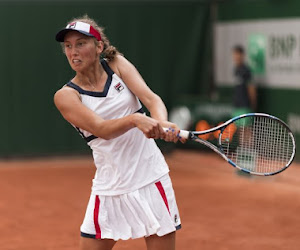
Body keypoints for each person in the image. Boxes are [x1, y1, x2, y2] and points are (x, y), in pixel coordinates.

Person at [54, 15, 183, 250]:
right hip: (109, 187)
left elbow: (151, 99)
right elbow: (102, 129)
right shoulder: (66, 96)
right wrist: (136, 119)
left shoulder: (117, 65)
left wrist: (162, 123)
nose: (73, 52)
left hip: (150, 176)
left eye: (81, 44)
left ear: (99, 45)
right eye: (68, 46)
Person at [232, 45, 257, 117]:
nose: (236, 57)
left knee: (246, 128)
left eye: (238, 54)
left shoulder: (246, 70)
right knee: (238, 128)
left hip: (245, 106)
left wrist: (253, 105)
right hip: (236, 106)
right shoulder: (235, 70)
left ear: (242, 55)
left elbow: (252, 88)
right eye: (235, 55)